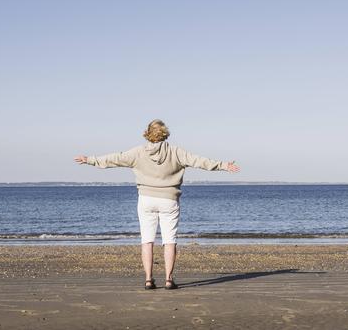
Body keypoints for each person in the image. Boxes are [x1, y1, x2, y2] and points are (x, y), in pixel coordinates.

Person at [74, 119, 239, 290]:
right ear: (165, 133)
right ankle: (168, 279)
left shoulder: (138, 152)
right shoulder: (175, 152)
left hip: (146, 199)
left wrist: (90, 160)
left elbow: (115, 158)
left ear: (148, 133)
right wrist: (224, 165)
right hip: (169, 199)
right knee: (170, 241)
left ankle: (148, 279)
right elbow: (199, 161)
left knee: (147, 240)